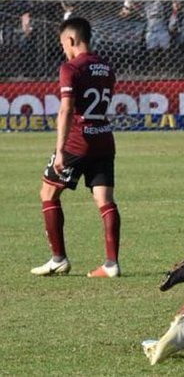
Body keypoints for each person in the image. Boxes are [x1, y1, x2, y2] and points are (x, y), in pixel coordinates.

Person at [31, 17, 123, 278]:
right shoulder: (106, 68)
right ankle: (111, 264)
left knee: (48, 193)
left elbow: (67, 109)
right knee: (105, 201)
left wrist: (60, 150)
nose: (63, 49)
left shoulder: (70, 68)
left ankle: (58, 259)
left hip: (77, 142)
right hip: (104, 139)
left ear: (71, 40)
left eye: (63, 44)